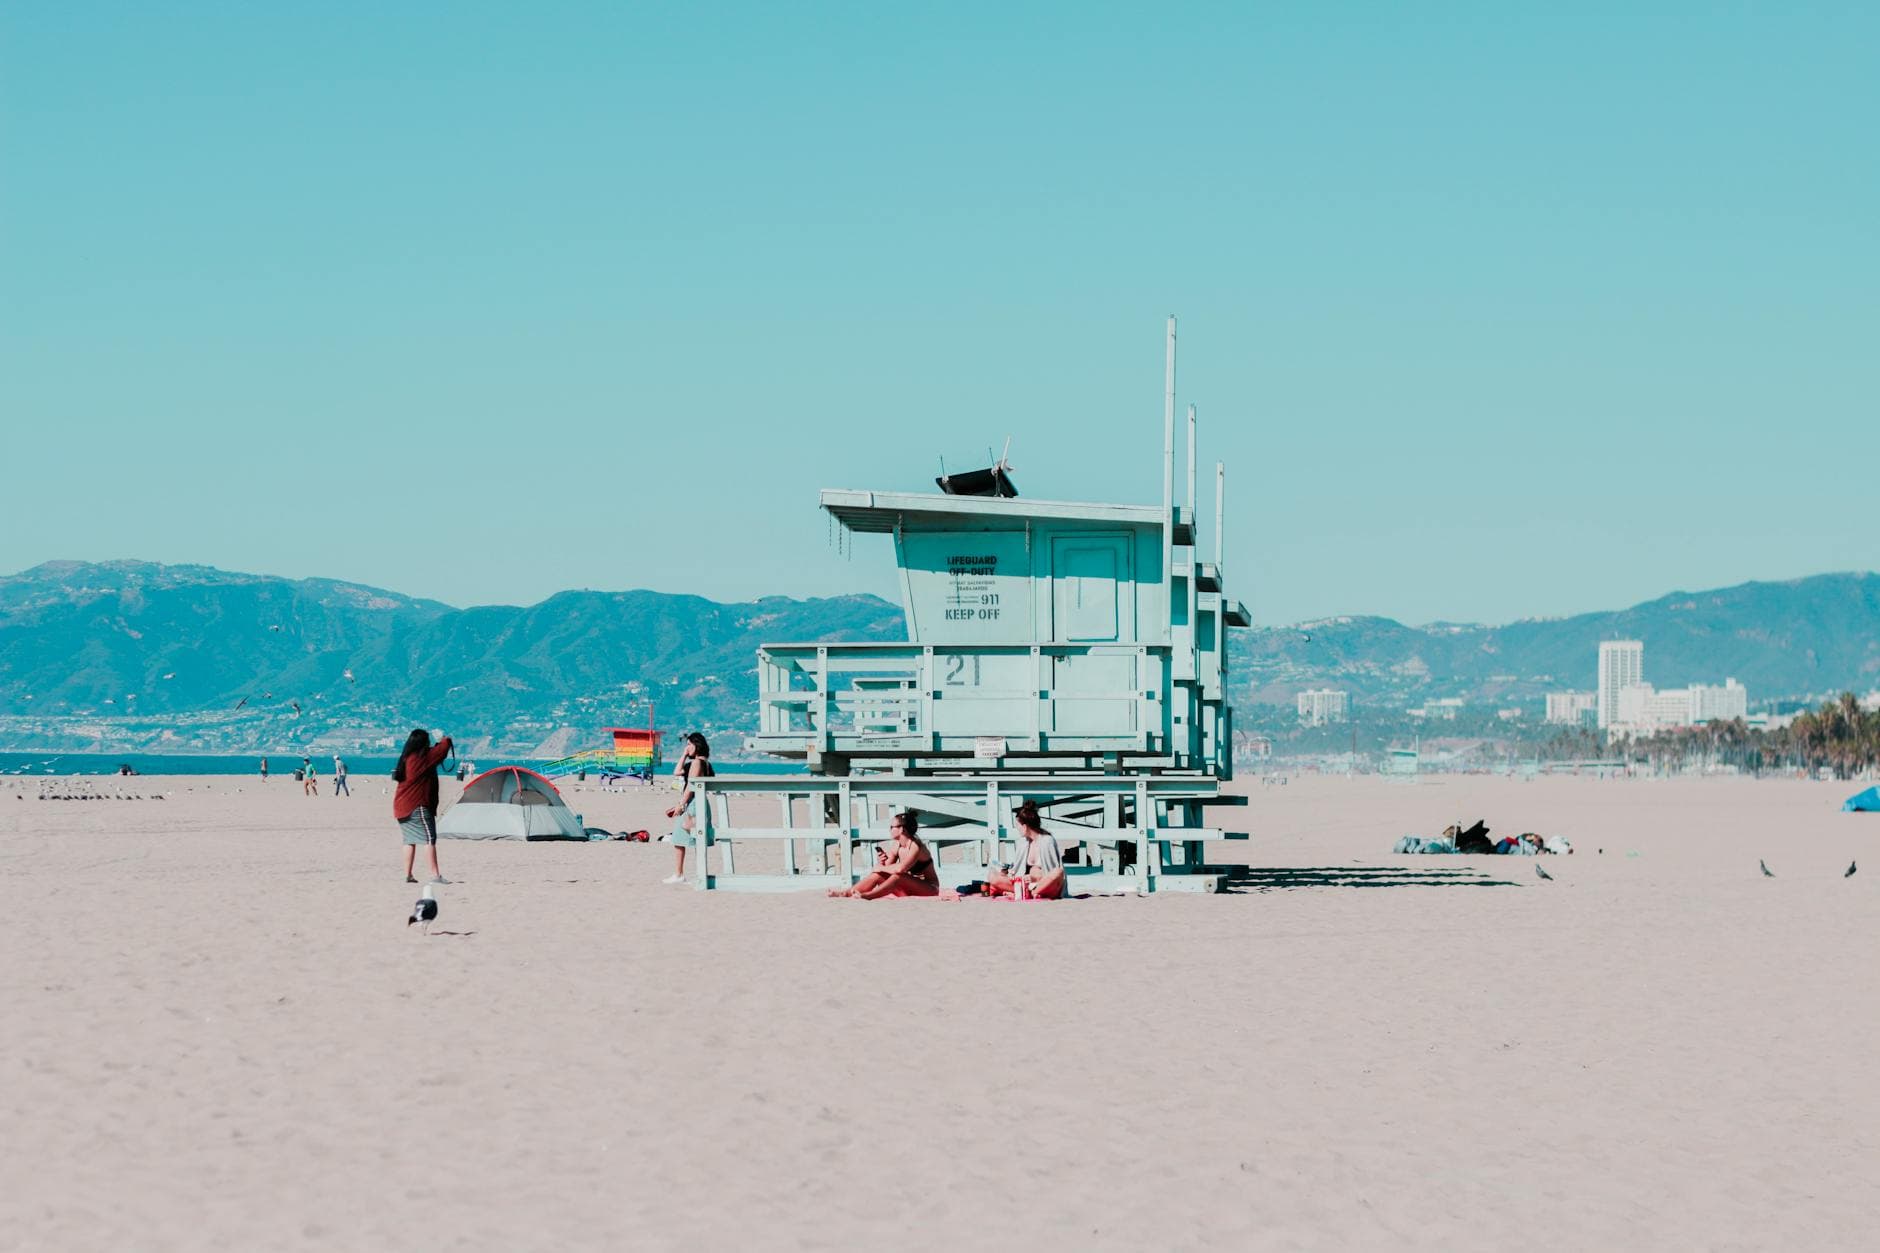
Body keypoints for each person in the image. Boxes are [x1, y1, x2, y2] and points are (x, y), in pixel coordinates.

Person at [392, 728, 454, 885]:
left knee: (409, 840)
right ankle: (435, 875)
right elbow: (442, 749)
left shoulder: (406, 759)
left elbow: (436, 753)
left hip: (401, 806)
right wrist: (443, 738)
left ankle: (408, 875)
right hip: (417, 806)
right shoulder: (421, 759)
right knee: (429, 839)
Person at [829, 811, 938, 899]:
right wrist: (882, 862)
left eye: (892, 827)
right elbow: (886, 868)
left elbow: (900, 869)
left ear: (901, 829)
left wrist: (882, 867)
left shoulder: (916, 846)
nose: (889, 830)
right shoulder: (898, 845)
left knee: (897, 876)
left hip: (929, 888)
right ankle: (847, 893)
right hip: (908, 887)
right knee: (878, 874)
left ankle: (868, 896)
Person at [663, 732, 714, 884]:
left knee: (679, 839)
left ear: (697, 745)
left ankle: (679, 874)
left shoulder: (697, 763)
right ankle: (700, 874)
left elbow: (691, 786)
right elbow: (677, 772)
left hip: (692, 804)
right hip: (701, 803)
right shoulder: (705, 763)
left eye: (690, 744)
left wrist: (681, 805)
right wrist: (685, 754)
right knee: (697, 839)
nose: (687, 747)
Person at [988, 801, 1065, 899]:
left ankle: (1030, 893)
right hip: (1024, 885)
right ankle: (1027, 893)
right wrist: (1008, 872)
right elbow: (1017, 870)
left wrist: (1034, 878)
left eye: (1018, 826)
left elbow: (1052, 870)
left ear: (1024, 827)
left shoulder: (1047, 841)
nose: (1017, 829)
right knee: (993, 876)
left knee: (1058, 872)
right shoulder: (1023, 843)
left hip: (1044, 885)